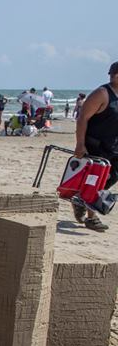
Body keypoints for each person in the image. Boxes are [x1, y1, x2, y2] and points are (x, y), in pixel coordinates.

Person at [73, 61, 118, 232]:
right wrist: (80, 144)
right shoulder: (102, 93)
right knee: (95, 180)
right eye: (113, 74)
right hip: (96, 145)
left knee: (112, 178)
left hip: (114, 146)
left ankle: (82, 199)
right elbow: (82, 118)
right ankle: (91, 217)